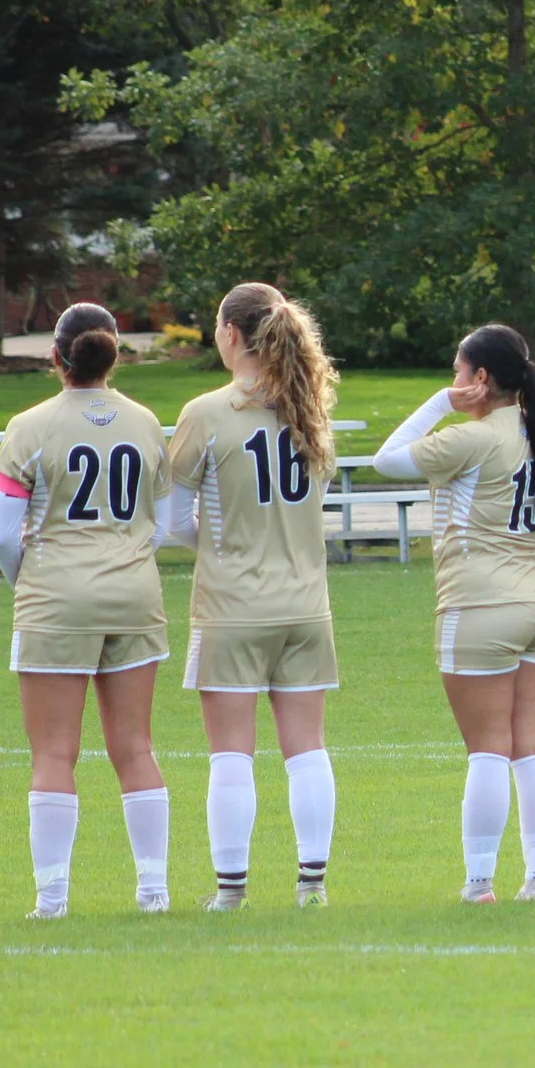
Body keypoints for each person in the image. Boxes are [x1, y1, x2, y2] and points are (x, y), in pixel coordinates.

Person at [374, 324, 535, 902]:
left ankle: (479, 883)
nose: (453, 382)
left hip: (480, 605)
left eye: (457, 372)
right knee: (530, 743)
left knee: (488, 747)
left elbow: (387, 459)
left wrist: (440, 404)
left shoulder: (476, 438)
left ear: (480, 379)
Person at [159, 283, 343, 911]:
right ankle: (311, 885)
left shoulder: (207, 412)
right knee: (307, 749)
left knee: (231, 753)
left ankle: (231, 890)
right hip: (306, 605)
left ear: (232, 334)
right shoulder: (311, 407)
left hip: (232, 605)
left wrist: (223, 543)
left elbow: (172, 520)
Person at [0, 302, 174, 918]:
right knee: (136, 746)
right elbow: (164, 522)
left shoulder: (29, 425)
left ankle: (52, 900)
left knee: (53, 752)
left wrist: (33, 585)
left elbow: (1, 537)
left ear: (55, 355)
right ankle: (154, 892)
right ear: (114, 353)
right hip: (134, 597)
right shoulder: (146, 422)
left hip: (56, 599)